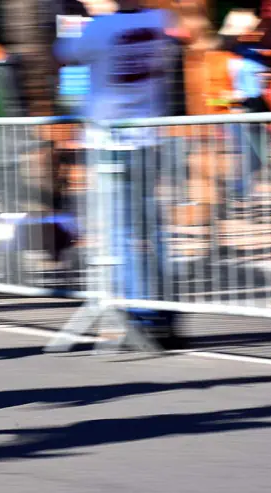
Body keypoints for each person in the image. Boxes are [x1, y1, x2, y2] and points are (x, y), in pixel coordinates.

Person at [54, 0, 185, 349]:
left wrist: (88, 17)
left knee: (121, 232)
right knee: (153, 230)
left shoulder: (98, 28)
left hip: (112, 140)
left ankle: (142, 313)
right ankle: (166, 312)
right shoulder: (159, 19)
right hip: (148, 135)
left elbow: (63, 51)